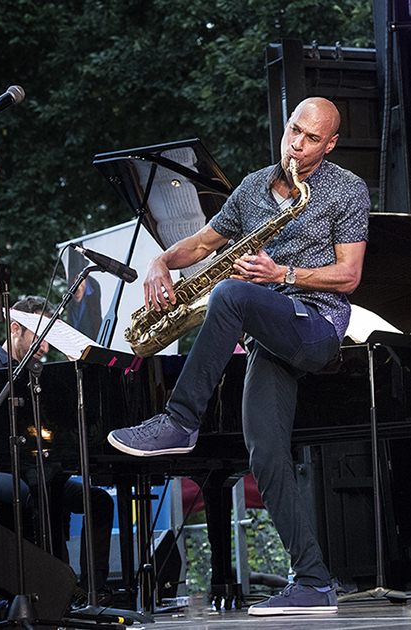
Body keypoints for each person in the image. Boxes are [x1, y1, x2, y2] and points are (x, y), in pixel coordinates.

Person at [108, 97, 370, 616]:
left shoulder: (347, 189)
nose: (297, 144)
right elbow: (205, 243)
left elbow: (350, 275)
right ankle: (314, 583)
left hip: (316, 323)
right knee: (265, 451)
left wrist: (284, 276)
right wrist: (161, 260)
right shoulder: (253, 187)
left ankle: (180, 421)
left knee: (229, 294)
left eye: (312, 138)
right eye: (294, 130)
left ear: (331, 143)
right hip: (268, 334)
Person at [0, 296, 114, 597]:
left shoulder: (39, 372)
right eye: (40, 338)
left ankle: (91, 590)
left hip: (35, 470)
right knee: (38, 492)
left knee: (100, 501)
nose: (45, 348)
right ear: (15, 329)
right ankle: (55, 588)